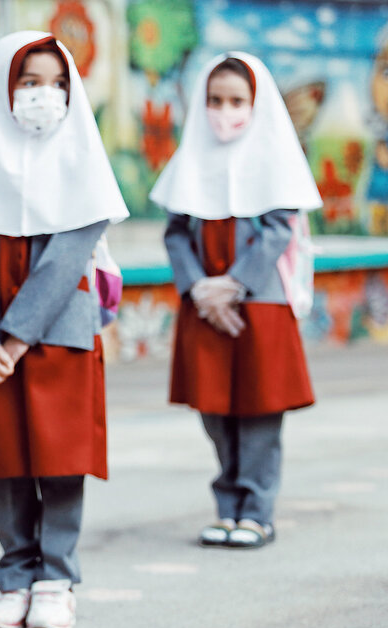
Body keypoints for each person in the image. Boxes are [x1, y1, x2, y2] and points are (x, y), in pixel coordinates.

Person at [0, 31, 128, 628]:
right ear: (3, 89)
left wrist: (15, 337)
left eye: (56, 83)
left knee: (60, 458)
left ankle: (56, 579)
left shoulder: (83, 161)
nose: (43, 95)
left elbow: (65, 260)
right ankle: (14, 578)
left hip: (60, 334)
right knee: (6, 462)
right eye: (28, 83)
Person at [150, 52, 321, 550]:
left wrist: (235, 284)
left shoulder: (275, 160)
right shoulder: (191, 160)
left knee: (259, 413)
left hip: (261, 305)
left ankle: (257, 511)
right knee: (215, 412)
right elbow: (177, 232)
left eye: (236, 101)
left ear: (257, 103)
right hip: (204, 306)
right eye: (214, 100)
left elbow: (276, 233)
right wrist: (201, 289)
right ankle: (227, 507)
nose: (225, 111)